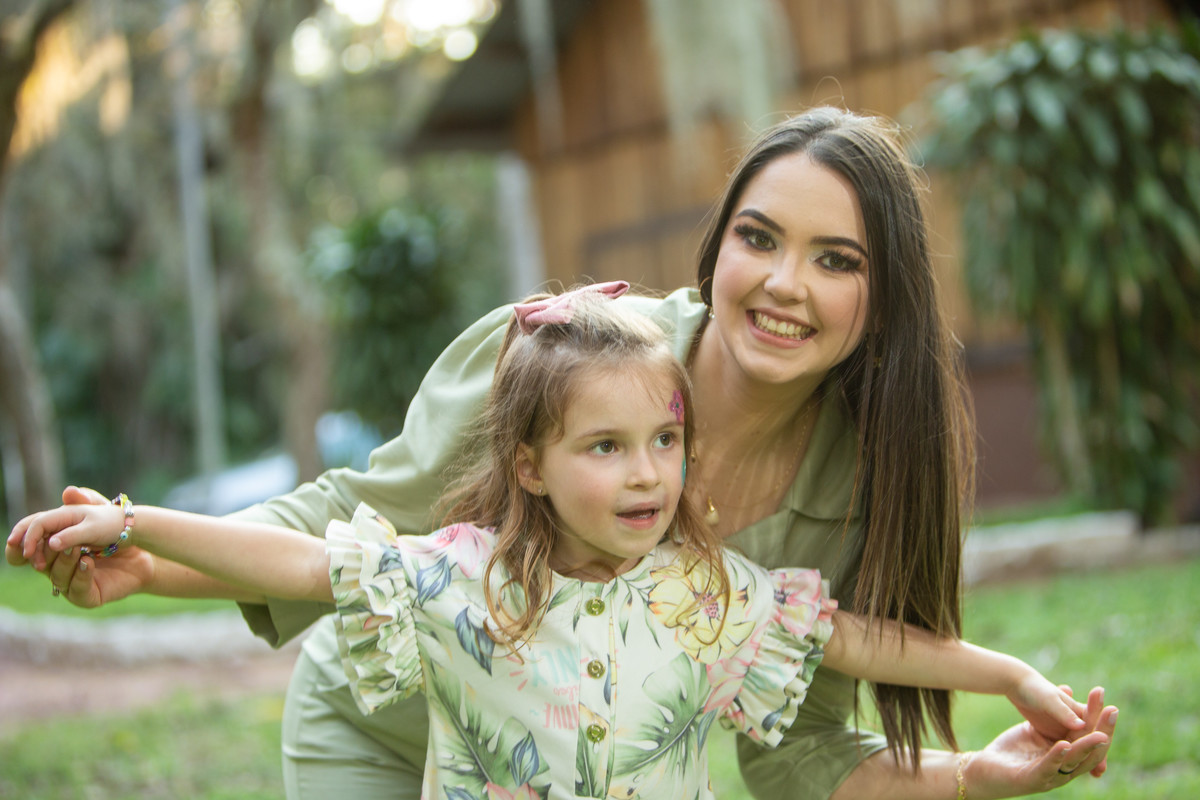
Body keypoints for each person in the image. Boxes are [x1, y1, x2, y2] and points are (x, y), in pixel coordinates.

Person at [9, 107, 1117, 799]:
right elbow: (336, 531)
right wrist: (150, 555)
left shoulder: (849, 486)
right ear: (718, 241)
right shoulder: (560, 356)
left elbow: (804, 745)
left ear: (885, 303)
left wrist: (978, 768)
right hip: (386, 738)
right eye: (759, 236)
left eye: (837, 259)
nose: (784, 284)